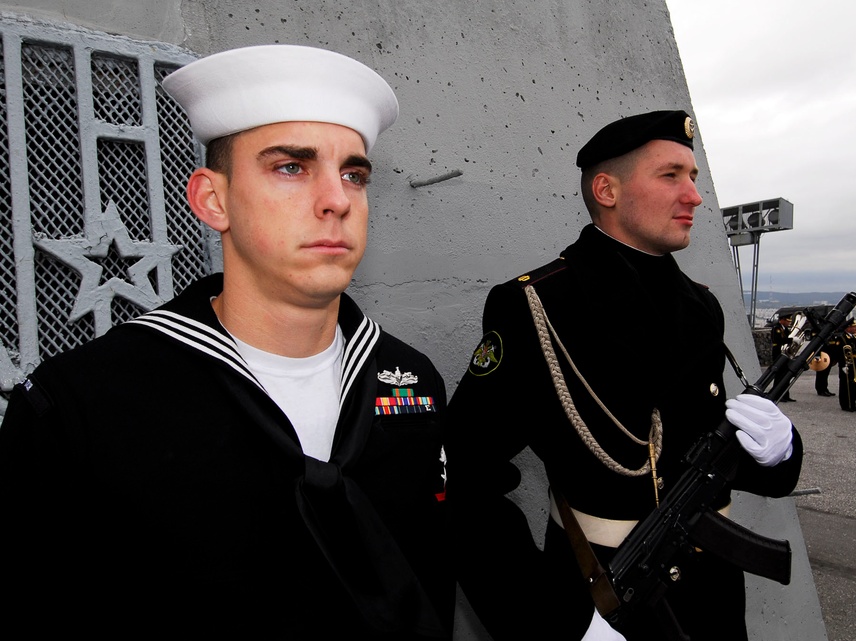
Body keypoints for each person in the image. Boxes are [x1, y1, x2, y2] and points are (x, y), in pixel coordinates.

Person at [0, 45, 454, 637]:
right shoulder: (85, 402)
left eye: (354, 174)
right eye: (291, 167)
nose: (337, 200)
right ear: (213, 200)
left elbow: (430, 574)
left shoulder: (408, 378)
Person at [445, 111, 803, 641]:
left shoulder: (701, 306)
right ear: (607, 190)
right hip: (600, 590)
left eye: (694, 178)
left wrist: (777, 451)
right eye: (670, 175)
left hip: (713, 596)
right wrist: (550, 619)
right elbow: (465, 477)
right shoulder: (538, 304)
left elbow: (701, 450)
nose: (695, 197)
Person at [830, 318, 856, 412]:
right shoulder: (841, 338)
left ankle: (853, 404)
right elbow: (838, 353)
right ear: (847, 328)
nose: (855, 328)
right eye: (853, 326)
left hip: (854, 365)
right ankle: (845, 404)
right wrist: (843, 365)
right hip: (846, 365)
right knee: (845, 385)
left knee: (853, 385)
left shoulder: (854, 337)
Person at [771, 312, 797, 401]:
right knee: (779, 376)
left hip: (786, 355)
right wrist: (791, 340)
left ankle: (785, 395)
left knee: (786, 375)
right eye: (787, 321)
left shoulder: (786, 329)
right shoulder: (776, 329)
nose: (789, 323)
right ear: (782, 320)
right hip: (778, 354)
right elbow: (779, 340)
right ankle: (777, 395)